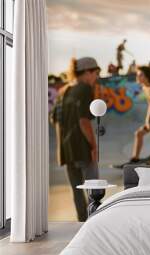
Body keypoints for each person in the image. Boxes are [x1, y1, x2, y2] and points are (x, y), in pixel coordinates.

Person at [51, 57, 100, 222]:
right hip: (82, 149)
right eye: (96, 73)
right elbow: (83, 121)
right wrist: (93, 146)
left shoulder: (63, 91)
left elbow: (55, 120)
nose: (96, 78)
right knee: (95, 191)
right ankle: (95, 225)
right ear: (87, 72)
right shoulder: (85, 89)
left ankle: (82, 223)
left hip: (66, 151)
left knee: (77, 191)